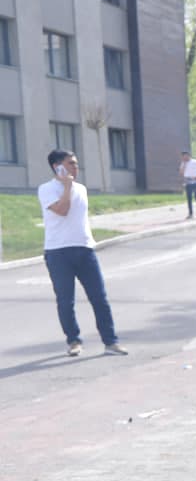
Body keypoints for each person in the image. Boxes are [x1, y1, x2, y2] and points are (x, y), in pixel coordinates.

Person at [38, 151, 129, 358]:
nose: (75, 168)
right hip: (58, 252)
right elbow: (62, 210)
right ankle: (74, 341)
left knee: (99, 298)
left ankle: (111, 342)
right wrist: (67, 186)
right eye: (70, 164)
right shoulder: (46, 189)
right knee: (65, 300)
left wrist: (71, 185)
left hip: (84, 249)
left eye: (76, 163)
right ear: (56, 167)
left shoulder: (82, 189)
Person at [179, 151, 196, 219]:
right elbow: (181, 172)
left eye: (185, 156)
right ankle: (190, 214)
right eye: (183, 156)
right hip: (187, 181)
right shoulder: (183, 163)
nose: (184, 157)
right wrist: (184, 164)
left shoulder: (195, 162)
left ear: (188, 155)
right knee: (189, 198)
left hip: (195, 181)